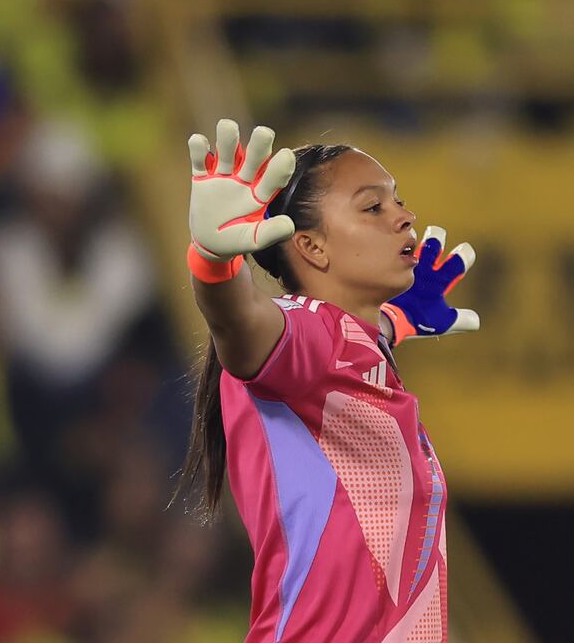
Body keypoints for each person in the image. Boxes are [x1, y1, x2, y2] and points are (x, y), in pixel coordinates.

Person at [173, 119, 479, 642]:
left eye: (398, 202)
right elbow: (239, 324)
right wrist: (213, 262)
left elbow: (353, 344)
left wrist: (398, 321)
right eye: (373, 206)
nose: (405, 217)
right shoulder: (305, 334)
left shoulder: (349, 345)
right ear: (312, 248)